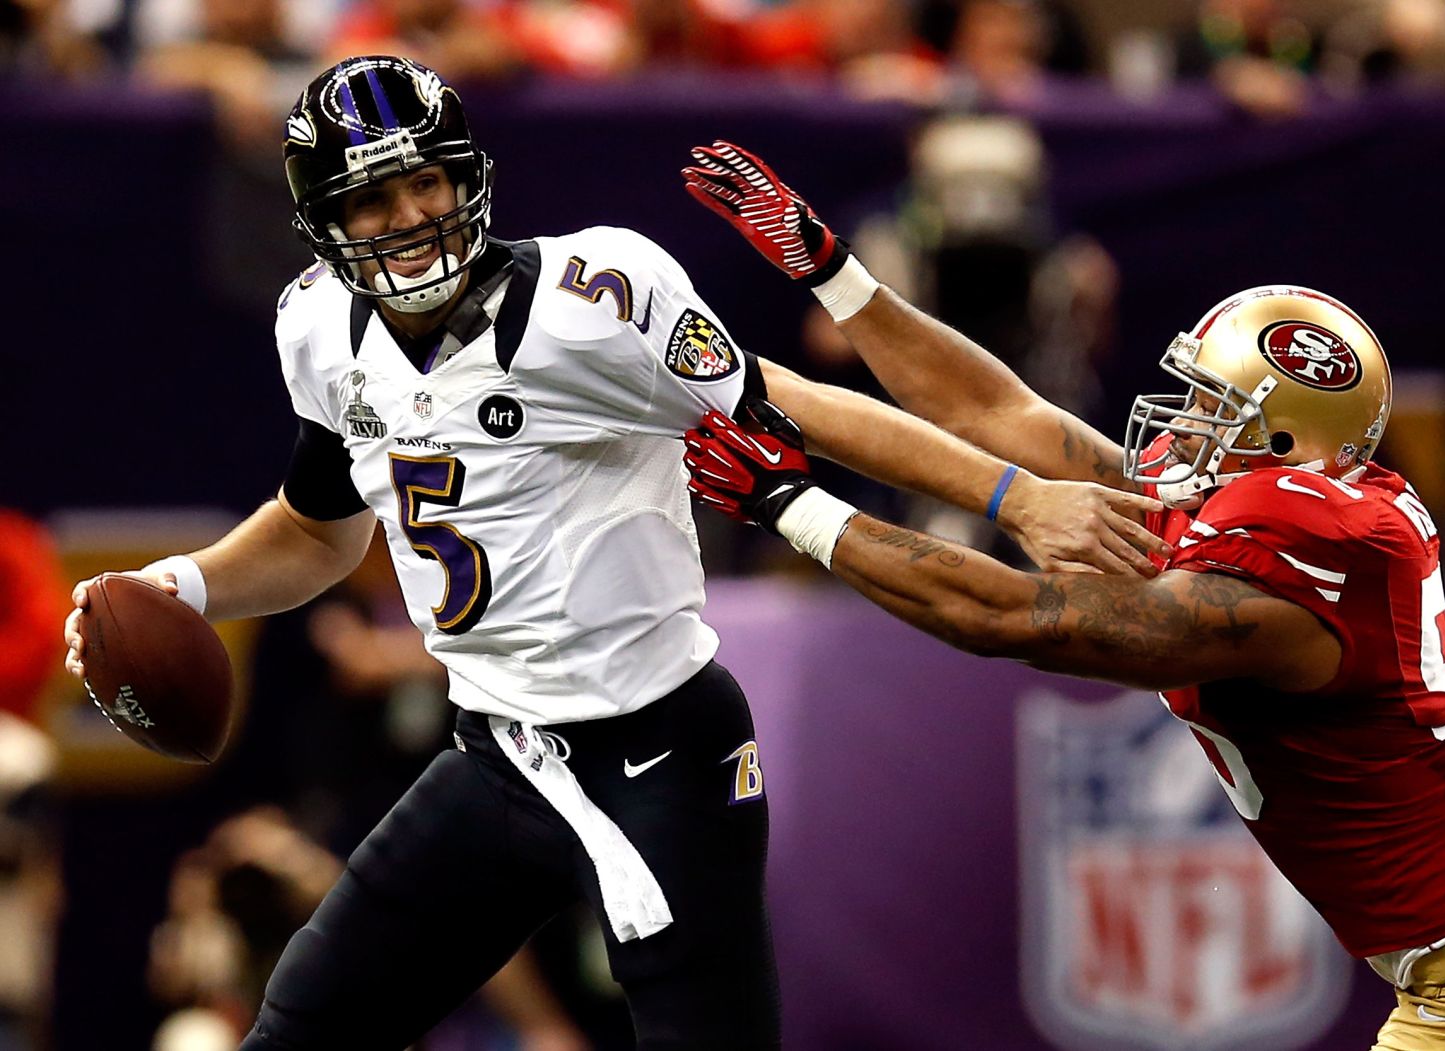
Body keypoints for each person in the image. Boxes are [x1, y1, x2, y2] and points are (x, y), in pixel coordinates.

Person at [60, 58, 1158, 1051]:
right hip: (494, 755)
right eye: (374, 199)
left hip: (660, 755)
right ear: (322, 223)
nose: (412, 216)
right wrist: (183, 584)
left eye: (427, 182)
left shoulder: (591, 301)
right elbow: (313, 528)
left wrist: (1016, 494)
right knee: (301, 1028)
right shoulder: (316, 330)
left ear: (468, 176)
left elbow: (804, 405)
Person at [680, 140, 1445, 1048]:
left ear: (1282, 446)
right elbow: (1005, 416)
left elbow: (1011, 615)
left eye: (1213, 410)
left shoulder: (1299, 553)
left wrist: (793, 505)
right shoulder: (1270, 500)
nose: (1182, 424)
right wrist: (831, 273)